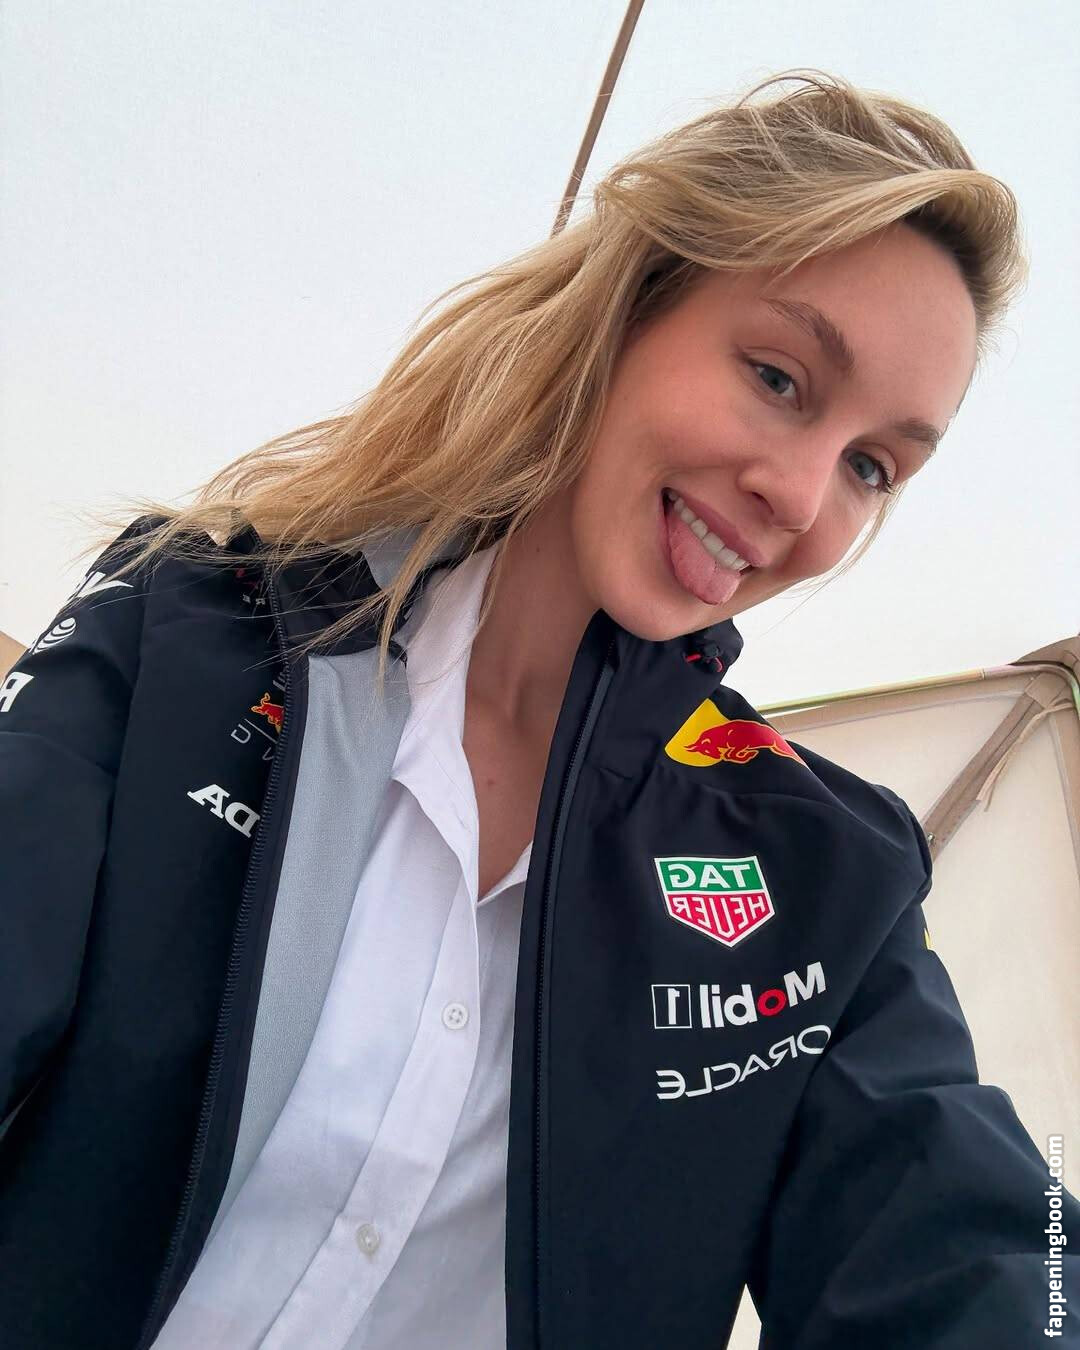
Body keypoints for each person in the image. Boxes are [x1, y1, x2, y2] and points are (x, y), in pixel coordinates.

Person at [1, 67, 1076, 1350]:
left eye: (871, 466)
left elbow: (972, 1250)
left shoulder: (825, 871)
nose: (801, 497)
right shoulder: (186, 633)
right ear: (629, 309)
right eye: (780, 377)